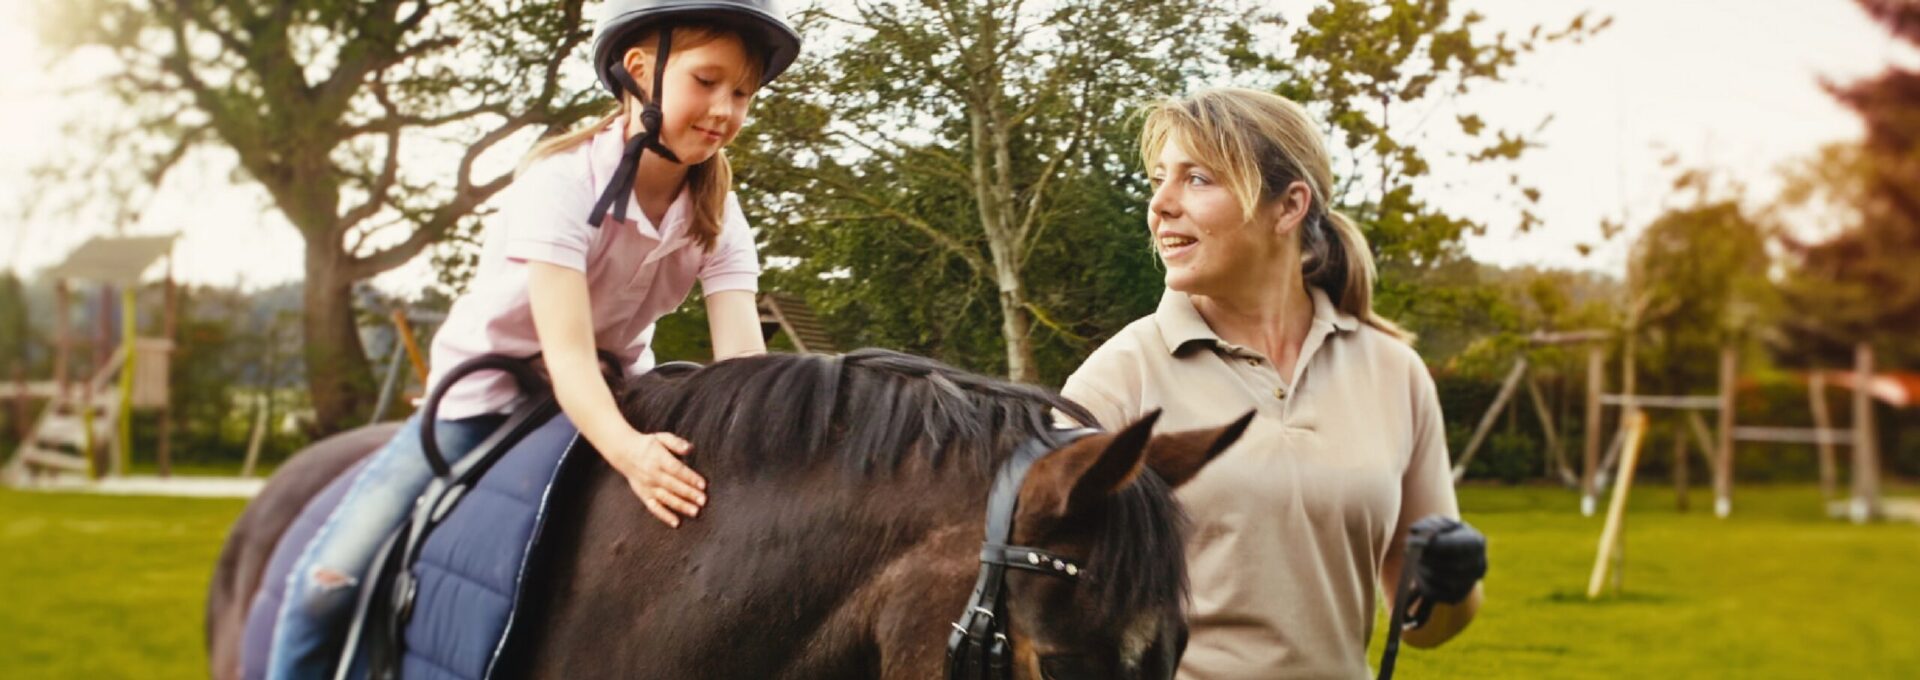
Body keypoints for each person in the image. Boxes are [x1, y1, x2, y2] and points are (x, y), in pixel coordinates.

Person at [262, 2, 802, 677]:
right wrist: (632, 454)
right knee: (326, 586)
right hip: (487, 402)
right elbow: (566, 354)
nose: (725, 108)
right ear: (640, 70)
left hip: (620, 393)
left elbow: (744, 365)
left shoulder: (719, 214)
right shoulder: (560, 183)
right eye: (707, 80)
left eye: (743, 93)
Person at [1060, 87, 1486, 679]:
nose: (1160, 203)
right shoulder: (1116, 382)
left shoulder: (1393, 372)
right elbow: (1042, 611)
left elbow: (1425, 628)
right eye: (1160, 178)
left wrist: (1451, 582)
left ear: (1287, 208)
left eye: (1198, 179)